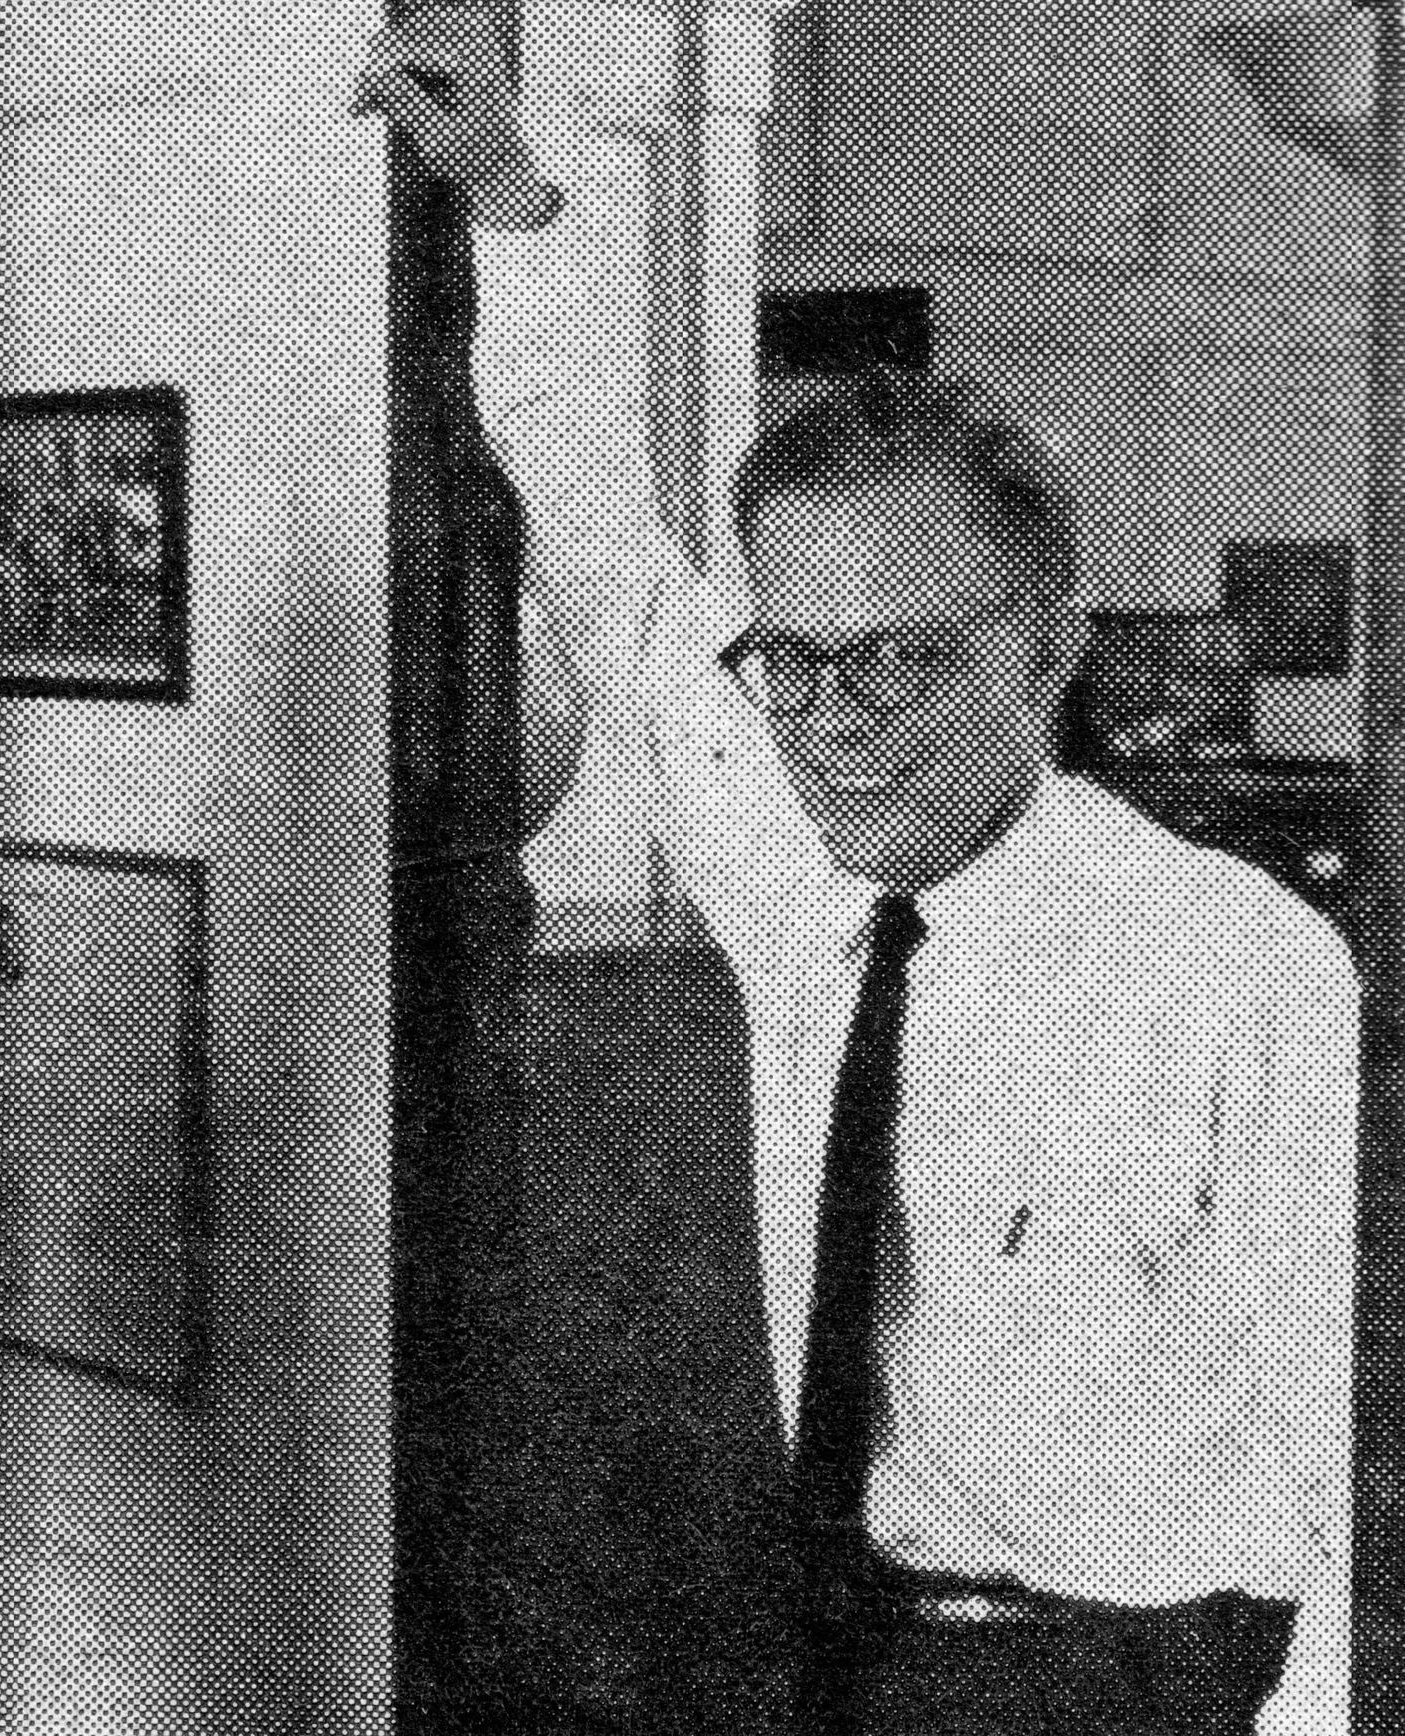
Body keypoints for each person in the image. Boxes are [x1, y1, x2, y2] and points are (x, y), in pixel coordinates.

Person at [358, 13, 1355, 1736]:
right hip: (851, 1648)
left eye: (899, 659)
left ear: (1047, 653)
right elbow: (606, 547)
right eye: (799, 659)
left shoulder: (1234, 968)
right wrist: (513, 196)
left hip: (1161, 1676)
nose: (837, 724)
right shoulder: (795, 863)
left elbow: (1351, 1464)